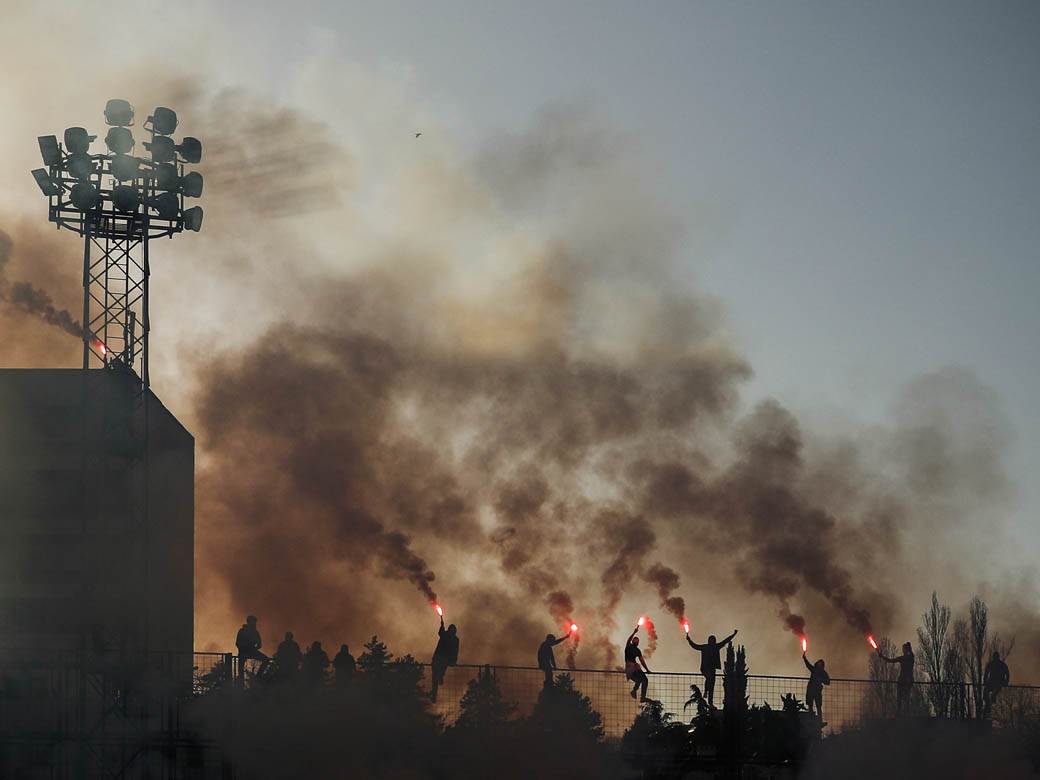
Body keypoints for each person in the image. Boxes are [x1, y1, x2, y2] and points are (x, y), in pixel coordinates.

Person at [686, 629, 738, 709]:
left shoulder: (712, 647)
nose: (712, 642)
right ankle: (706, 692)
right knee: (709, 679)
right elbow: (695, 646)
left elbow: (725, 641)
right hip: (705, 668)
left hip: (711, 669)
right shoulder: (709, 647)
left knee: (711, 685)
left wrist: (733, 635)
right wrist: (689, 640)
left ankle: (710, 701)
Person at [878, 641, 915, 715]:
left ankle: (903, 712)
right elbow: (891, 660)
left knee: (903, 698)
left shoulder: (909, 658)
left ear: (906, 650)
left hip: (905, 680)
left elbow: (891, 660)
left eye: (904, 649)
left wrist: (882, 657)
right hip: (904, 680)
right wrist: (882, 657)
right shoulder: (906, 658)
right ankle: (902, 712)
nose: (903, 650)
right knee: (901, 697)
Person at [430, 614, 460, 702]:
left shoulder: (452, 638)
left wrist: (454, 661)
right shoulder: (448, 636)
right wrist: (442, 625)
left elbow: (455, 651)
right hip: (439, 658)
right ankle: (434, 694)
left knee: (436, 675)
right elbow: (440, 633)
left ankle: (439, 681)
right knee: (435, 676)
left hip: (442, 659)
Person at [235, 615, 270, 680]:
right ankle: (257, 677)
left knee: (266, 660)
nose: (255, 624)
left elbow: (259, 644)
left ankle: (257, 677)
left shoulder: (249, 631)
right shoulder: (250, 632)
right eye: (254, 622)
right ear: (249, 622)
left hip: (246, 653)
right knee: (266, 660)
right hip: (246, 652)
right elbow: (237, 643)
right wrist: (250, 648)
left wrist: (252, 649)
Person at [624, 623, 652, 702]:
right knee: (639, 680)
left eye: (637, 640)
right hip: (630, 668)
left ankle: (642, 697)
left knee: (645, 680)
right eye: (635, 639)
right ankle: (634, 691)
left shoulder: (638, 650)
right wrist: (634, 632)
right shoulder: (628, 647)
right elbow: (628, 640)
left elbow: (642, 660)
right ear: (632, 641)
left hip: (635, 668)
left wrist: (647, 669)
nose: (636, 641)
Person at [802, 651, 831, 722]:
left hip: (815, 690)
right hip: (812, 690)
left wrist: (821, 680)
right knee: (811, 705)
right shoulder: (817, 671)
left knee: (817, 706)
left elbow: (828, 682)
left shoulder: (820, 671)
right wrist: (804, 658)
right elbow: (808, 665)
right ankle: (812, 719)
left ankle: (817, 720)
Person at [983, 650, 1010, 716]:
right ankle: (988, 705)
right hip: (994, 682)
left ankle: (989, 705)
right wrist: (985, 681)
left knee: (991, 693)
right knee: (986, 692)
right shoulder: (1000, 664)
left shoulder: (999, 664)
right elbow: (986, 673)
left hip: (998, 682)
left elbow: (1007, 673)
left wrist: (1006, 682)